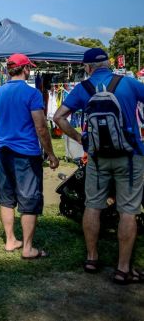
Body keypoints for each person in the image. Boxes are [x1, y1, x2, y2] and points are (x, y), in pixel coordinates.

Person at [54, 48, 144, 284]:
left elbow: (59, 116)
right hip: (130, 156)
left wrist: (80, 139)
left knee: (93, 205)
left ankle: (92, 258)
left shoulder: (82, 88)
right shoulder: (130, 84)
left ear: (87, 67)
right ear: (108, 64)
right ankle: (123, 269)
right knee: (128, 210)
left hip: (96, 157)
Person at [0, 53, 58, 260]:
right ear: (26, 69)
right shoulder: (32, 94)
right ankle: (28, 248)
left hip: (4, 151)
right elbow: (41, 126)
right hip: (26, 153)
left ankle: (10, 240)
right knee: (29, 198)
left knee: (6, 197)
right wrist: (51, 153)